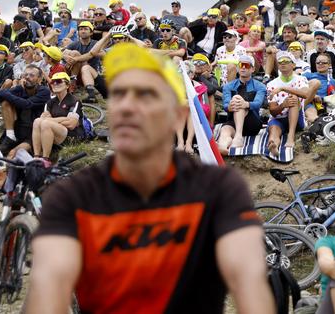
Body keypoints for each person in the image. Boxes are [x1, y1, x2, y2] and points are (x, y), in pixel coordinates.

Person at [27, 43, 273, 313]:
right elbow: (46, 295)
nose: (130, 108)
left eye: (146, 97)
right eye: (120, 95)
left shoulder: (218, 189)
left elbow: (252, 290)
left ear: (178, 115)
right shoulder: (73, 197)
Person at [0, 64, 50, 155]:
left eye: (32, 75)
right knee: (5, 103)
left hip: (33, 133)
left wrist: (0, 91)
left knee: (13, 153)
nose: (27, 77)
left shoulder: (44, 91)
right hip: (18, 130)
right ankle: (10, 136)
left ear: (39, 79)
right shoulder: (20, 88)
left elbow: (26, 104)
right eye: (25, 75)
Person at [217, 55, 267, 154]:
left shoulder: (259, 86)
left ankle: (238, 137)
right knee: (225, 130)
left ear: (252, 69)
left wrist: (246, 104)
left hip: (252, 123)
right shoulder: (228, 86)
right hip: (233, 121)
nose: (243, 67)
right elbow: (226, 105)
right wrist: (229, 107)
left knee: (237, 99)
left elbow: (258, 103)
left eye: (246, 65)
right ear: (237, 68)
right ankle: (223, 146)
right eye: (241, 65)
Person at [266, 52, 312, 156]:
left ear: (293, 65)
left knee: (293, 98)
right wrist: (283, 105)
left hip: (297, 119)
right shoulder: (271, 84)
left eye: (286, 61)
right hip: (279, 118)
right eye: (280, 62)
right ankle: (273, 145)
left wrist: (283, 88)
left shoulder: (301, 79)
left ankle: (291, 137)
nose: (283, 63)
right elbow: (273, 112)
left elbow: (305, 94)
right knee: (274, 130)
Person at [31, 72, 85, 162]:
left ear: (67, 85)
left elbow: (71, 124)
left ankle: (45, 159)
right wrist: (64, 118)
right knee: (37, 121)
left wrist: (51, 120)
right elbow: (42, 119)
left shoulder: (74, 101)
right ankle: (36, 156)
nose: (55, 84)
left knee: (46, 123)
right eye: (52, 82)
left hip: (72, 136)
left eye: (59, 81)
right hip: (54, 134)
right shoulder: (50, 102)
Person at [304, 53, 335, 124]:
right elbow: (297, 86)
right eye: (318, 62)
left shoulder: (332, 81)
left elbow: (331, 96)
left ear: (329, 65)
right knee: (312, 114)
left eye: (324, 62)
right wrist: (313, 95)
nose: (320, 64)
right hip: (307, 102)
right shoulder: (307, 75)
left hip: (322, 105)